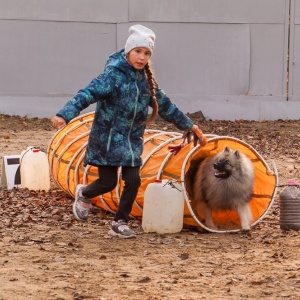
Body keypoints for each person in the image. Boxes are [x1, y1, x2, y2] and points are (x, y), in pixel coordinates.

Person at [51, 24, 206, 238]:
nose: (141, 57)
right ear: (128, 51)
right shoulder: (113, 75)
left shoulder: (147, 81)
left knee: (133, 180)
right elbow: (87, 93)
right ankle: (84, 193)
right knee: (108, 182)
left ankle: (119, 221)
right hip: (107, 139)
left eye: (146, 53)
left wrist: (189, 125)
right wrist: (64, 114)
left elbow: (166, 106)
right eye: (138, 51)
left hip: (132, 140)